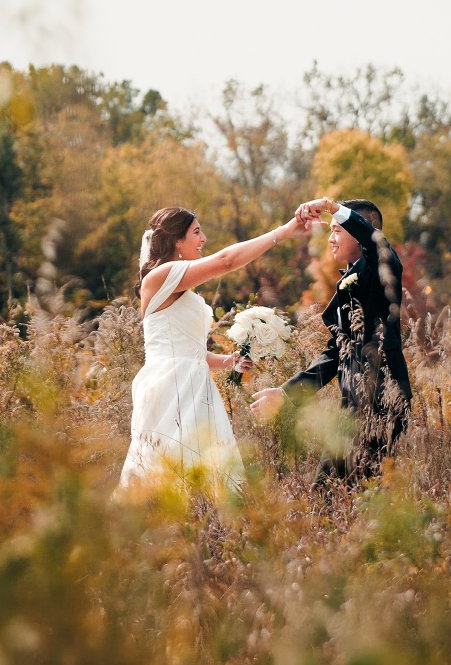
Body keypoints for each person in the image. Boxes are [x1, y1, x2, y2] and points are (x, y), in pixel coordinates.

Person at [119, 206, 306, 492]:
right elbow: (227, 261)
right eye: (196, 232)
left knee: (202, 474)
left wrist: (228, 361)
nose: (204, 238)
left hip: (192, 383)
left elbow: (188, 351)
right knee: (168, 470)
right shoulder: (161, 275)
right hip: (172, 387)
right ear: (176, 241)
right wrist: (284, 231)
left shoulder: (178, 283)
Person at [251, 197, 412, 487]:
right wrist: (287, 393)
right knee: (338, 494)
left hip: (381, 402)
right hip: (353, 406)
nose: (330, 239)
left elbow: (375, 243)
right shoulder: (351, 278)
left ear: (361, 232)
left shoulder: (382, 266)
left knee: (345, 493)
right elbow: (335, 353)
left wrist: (331, 206)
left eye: (337, 230)